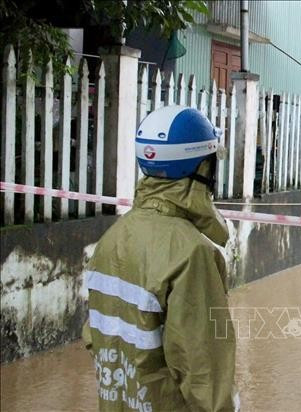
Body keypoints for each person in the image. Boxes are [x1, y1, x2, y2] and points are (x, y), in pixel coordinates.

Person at [82, 106, 237, 411]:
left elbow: (94, 338)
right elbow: (204, 376)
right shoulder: (192, 253)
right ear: (202, 169)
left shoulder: (112, 239)